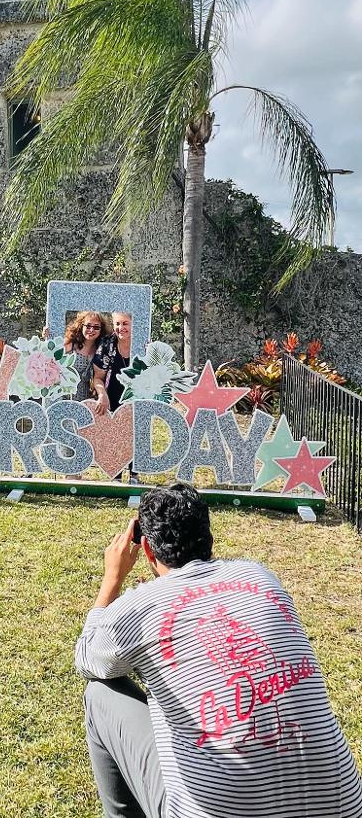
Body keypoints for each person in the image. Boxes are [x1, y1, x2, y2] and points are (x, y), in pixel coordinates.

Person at [75, 482, 362, 818]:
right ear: (208, 537)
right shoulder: (260, 575)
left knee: (99, 694)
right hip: (343, 805)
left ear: (147, 550)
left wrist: (112, 579)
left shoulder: (137, 607)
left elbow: (86, 659)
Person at [62, 311, 111, 402]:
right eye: (88, 326)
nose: (91, 330)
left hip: (86, 401)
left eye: (96, 327)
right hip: (64, 397)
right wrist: (47, 337)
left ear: (101, 330)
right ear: (81, 326)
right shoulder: (71, 345)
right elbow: (50, 355)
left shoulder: (101, 352)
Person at [92, 311, 133, 416]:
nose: (121, 328)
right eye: (117, 324)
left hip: (135, 406)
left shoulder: (144, 346)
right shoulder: (107, 345)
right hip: (110, 406)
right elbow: (98, 378)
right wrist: (102, 394)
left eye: (125, 323)